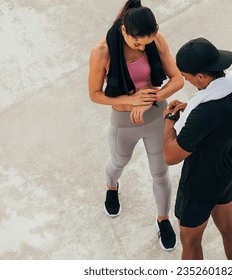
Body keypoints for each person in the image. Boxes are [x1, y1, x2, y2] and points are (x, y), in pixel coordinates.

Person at [88, 0, 183, 251]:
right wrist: (131, 101)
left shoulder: (156, 40)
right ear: (124, 32)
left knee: (160, 173)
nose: (143, 47)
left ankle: (163, 219)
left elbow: (176, 80)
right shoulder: (102, 51)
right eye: (137, 43)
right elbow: (95, 94)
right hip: (124, 122)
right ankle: (111, 187)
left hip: (155, 118)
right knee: (119, 161)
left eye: (147, 43)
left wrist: (151, 99)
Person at [163, 37, 232, 259]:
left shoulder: (203, 114)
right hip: (226, 171)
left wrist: (170, 119)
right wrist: (194, 115)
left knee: (190, 240)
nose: (187, 81)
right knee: (227, 225)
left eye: (187, 77)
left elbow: (170, 156)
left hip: (198, 184)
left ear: (201, 76)